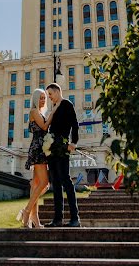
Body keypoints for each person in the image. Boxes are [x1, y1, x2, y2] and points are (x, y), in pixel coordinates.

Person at [17, 88, 58, 228]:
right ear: (35, 99)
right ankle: (27, 211)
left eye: (44, 97)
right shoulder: (34, 111)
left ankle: (35, 219)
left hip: (41, 148)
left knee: (35, 184)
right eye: (40, 97)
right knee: (45, 183)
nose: (43, 99)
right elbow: (45, 126)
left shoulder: (40, 112)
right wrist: (54, 112)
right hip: (38, 149)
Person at [45, 82, 80, 227]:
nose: (49, 98)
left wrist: (74, 142)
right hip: (53, 149)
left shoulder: (67, 104)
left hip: (63, 147)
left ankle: (75, 218)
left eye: (50, 94)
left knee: (66, 180)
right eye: (48, 96)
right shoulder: (54, 107)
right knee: (56, 183)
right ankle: (57, 219)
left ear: (57, 92)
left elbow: (75, 124)